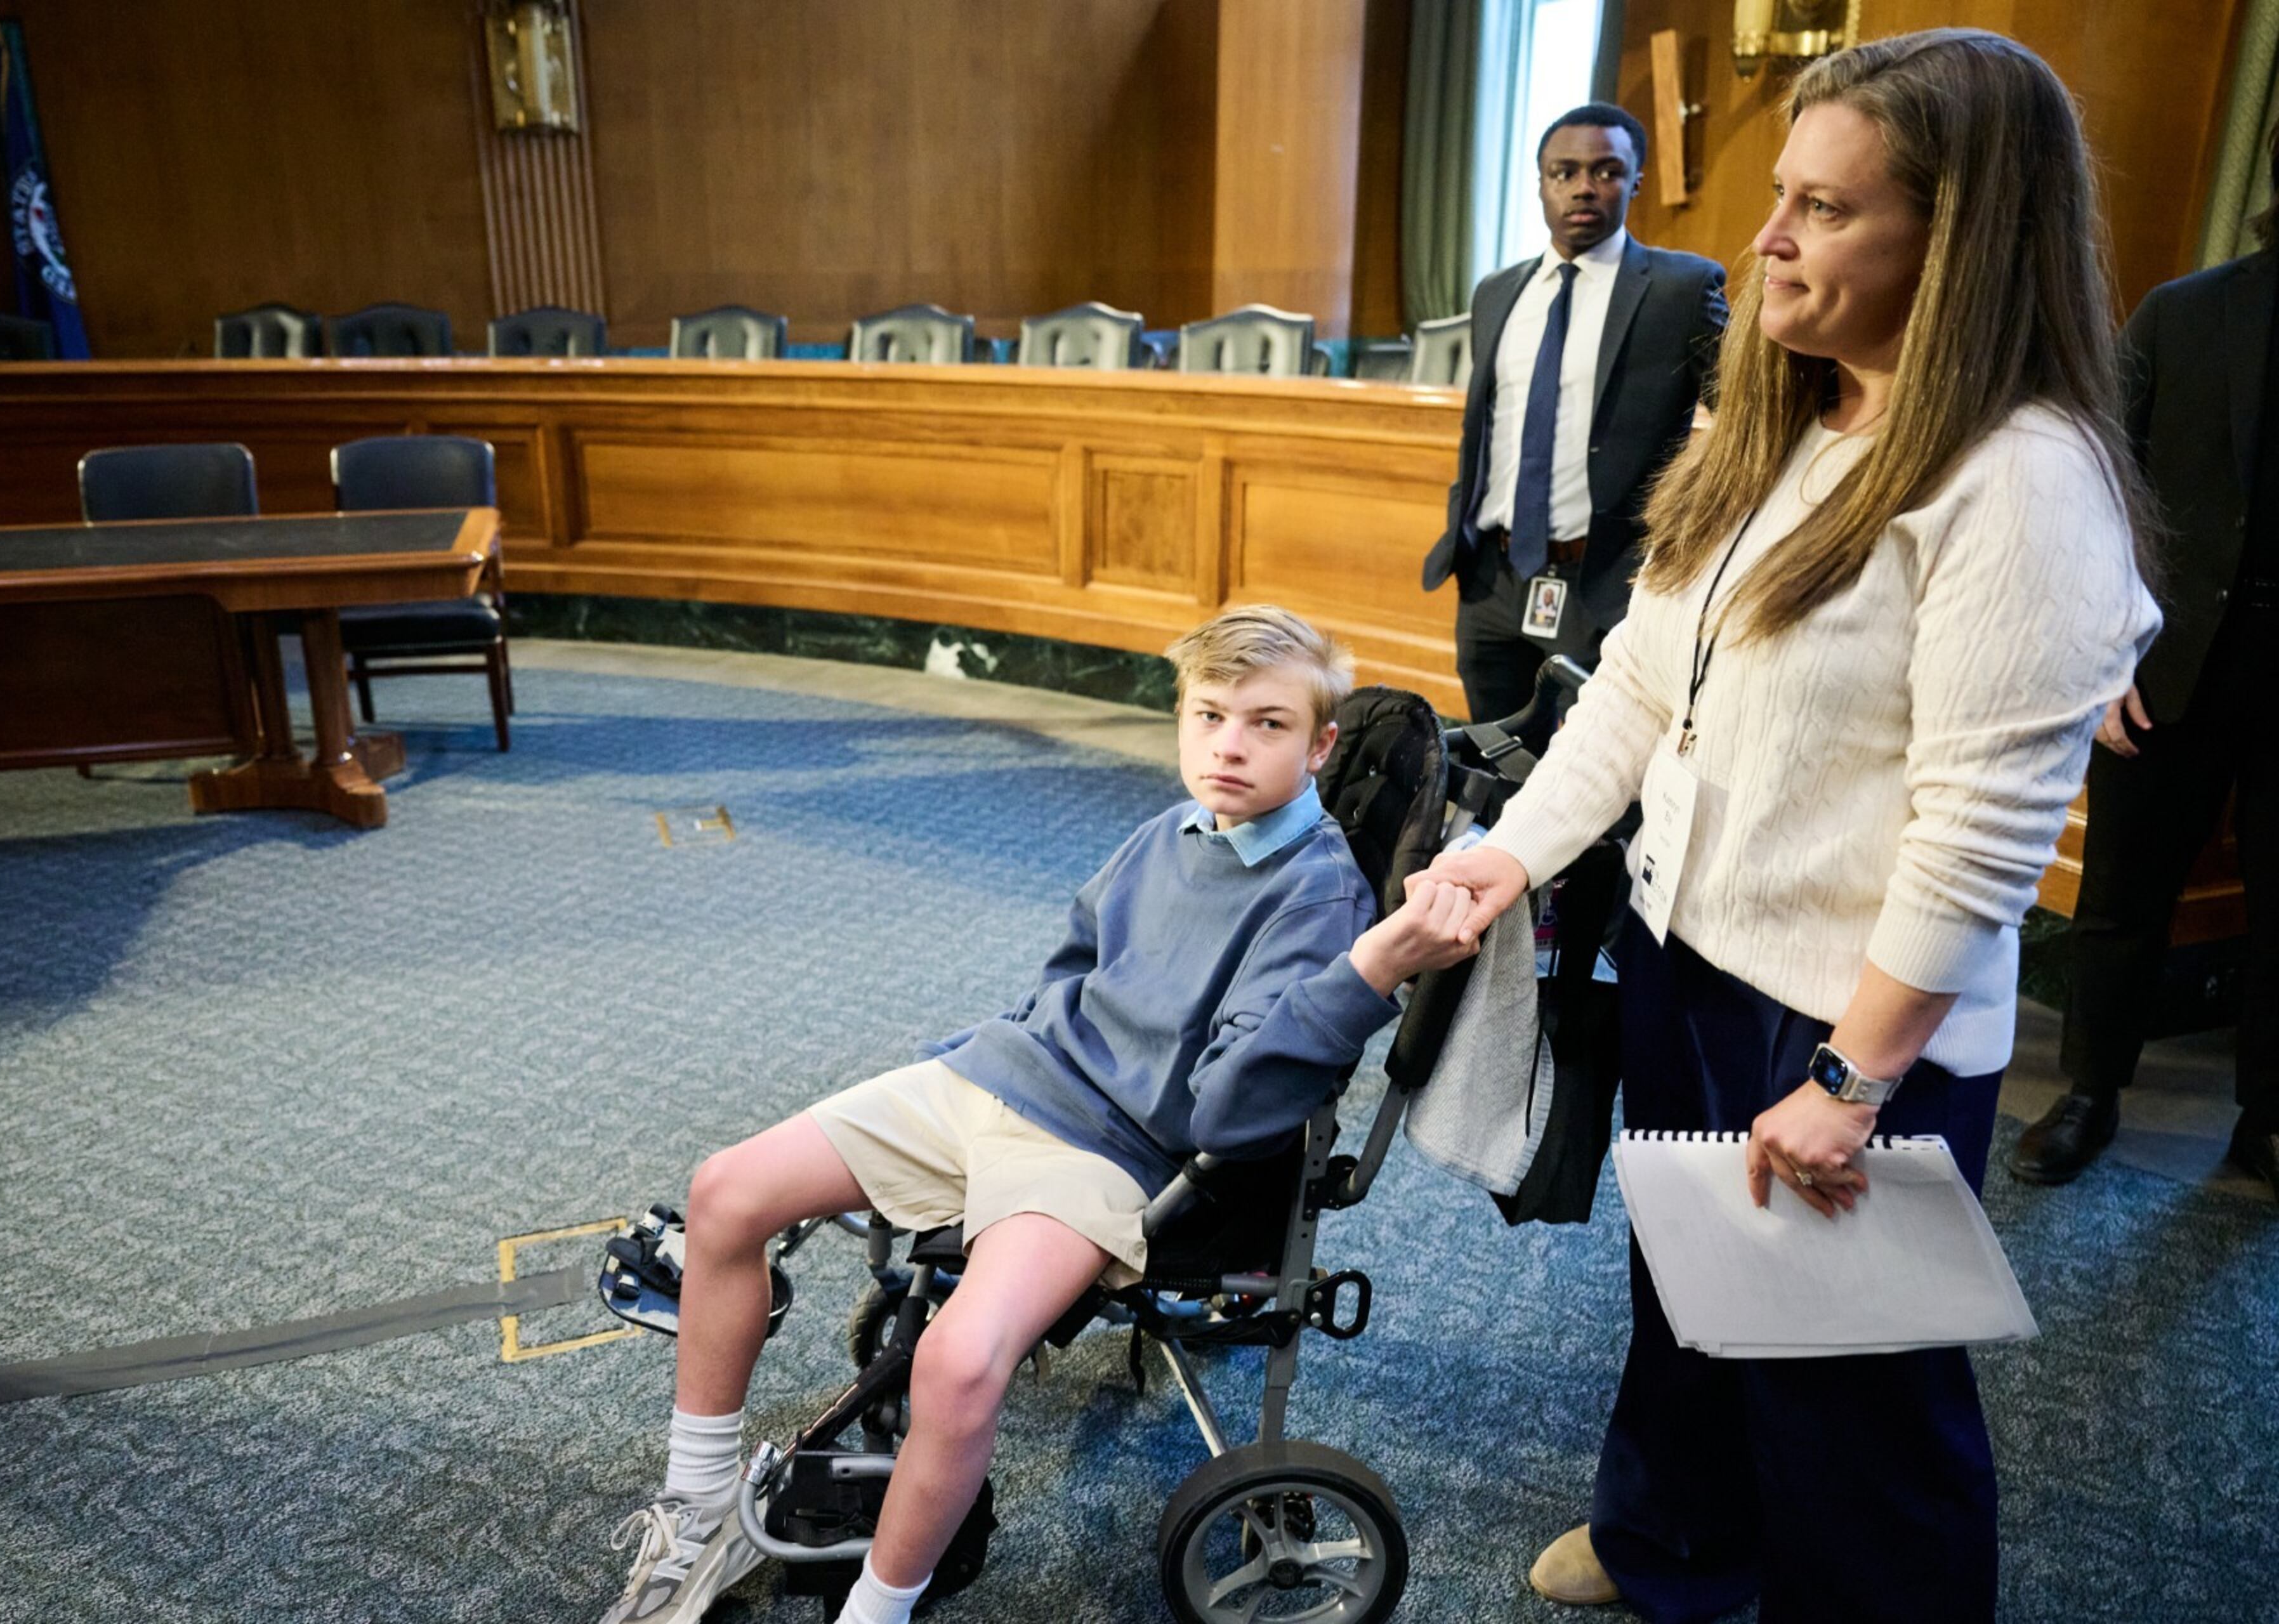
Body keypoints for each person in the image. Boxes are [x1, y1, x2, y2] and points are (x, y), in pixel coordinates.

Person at [1419, 30, 2160, 1622]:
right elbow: (1632, 683)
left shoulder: (2020, 481)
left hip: (1846, 1011)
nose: (1766, 239)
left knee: (1852, 1406)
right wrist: (1508, 852)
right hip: (1691, 951)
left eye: (1823, 210)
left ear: (1951, 242)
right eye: (1779, 198)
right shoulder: (1782, 417)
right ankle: (1670, 1537)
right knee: (1686, 1296)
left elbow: (1980, 833)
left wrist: (1851, 1076)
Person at [595, 605, 1482, 1624]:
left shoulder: (1316, 893)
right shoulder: (1173, 827)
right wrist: (1021, 1039)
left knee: (961, 1361)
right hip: (1005, 1073)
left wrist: (1370, 968)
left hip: (1106, 1147)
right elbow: (1075, 952)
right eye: (1209, 717)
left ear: (1321, 746)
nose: (1229, 747)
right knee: (724, 1193)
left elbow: (1232, 1111)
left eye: (1267, 725)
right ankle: (699, 1510)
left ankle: (876, 1612)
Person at [2008, 122, 2279, 1198]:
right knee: (2123, 895)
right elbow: (2095, 489)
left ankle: (2268, 1116)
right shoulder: (2186, 311)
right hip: (2165, 659)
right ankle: (2090, 1093)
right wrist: (2105, 651)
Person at [1421, 102, 1728, 723]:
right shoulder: (1498, 292)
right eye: (1564, 172)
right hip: (1492, 578)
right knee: (1494, 753)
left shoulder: (1680, 289)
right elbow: (1487, 429)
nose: (1584, 187)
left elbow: (1749, 412)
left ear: (1635, 180)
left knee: (1594, 769)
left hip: (1604, 582)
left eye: (1606, 171)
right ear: (1540, 183)